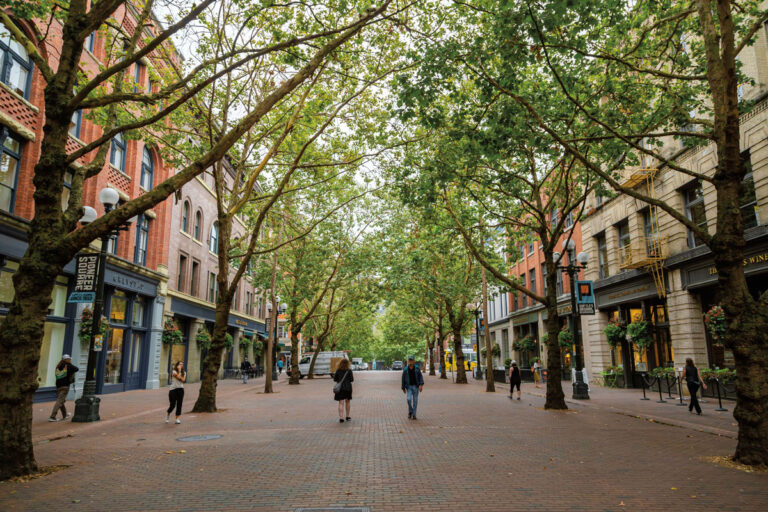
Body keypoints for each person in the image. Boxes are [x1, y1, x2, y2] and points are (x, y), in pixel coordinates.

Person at [49, 354, 78, 422]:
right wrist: (70, 364)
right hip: (65, 386)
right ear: (67, 359)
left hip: (58, 386)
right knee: (59, 401)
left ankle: (64, 415)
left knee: (61, 400)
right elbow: (76, 369)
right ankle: (52, 416)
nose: (70, 360)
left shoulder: (58, 366)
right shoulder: (68, 366)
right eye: (69, 359)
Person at [401, 355, 424, 420]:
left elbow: (420, 377)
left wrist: (421, 385)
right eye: (410, 360)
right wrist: (403, 388)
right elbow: (403, 379)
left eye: (412, 360)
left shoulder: (417, 368)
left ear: (414, 361)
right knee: (408, 399)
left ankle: (414, 414)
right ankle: (410, 411)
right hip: (409, 387)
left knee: (415, 401)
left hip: (416, 387)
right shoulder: (405, 369)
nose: (411, 361)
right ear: (408, 361)